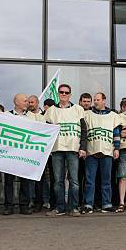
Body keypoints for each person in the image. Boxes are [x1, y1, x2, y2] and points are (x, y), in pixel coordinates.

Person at [44, 84, 87, 217]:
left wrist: (83, 147)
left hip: (73, 149)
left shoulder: (78, 109)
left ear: (70, 94)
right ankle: (59, 207)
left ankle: (73, 207)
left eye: (66, 92)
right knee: (58, 181)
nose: (64, 94)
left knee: (74, 180)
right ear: (58, 94)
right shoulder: (51, 110)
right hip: (57, 150)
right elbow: (45, 130)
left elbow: (84, 130)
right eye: (61, 92)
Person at [82, 92, 121, 214]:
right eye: (94, 100)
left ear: (104, 100)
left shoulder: (113, 116)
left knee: (106, 179)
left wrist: (117, 148)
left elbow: (116, 133)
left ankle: (107, 204)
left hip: (107, 150)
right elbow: (83, 131)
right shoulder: (87, 114)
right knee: (89, 180)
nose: (95, 102)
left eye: (97, 99)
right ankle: (88, 204)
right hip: (91, 151)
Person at [3, 94, 33, 215]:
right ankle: (8, 206)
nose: (27, 103)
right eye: (25, 101)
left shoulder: (31, 118)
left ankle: (24, 206)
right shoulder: (6, 116)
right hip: (9, 154)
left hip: (24, 154)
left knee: (25, 182)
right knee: (8, 181)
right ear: (17, 103)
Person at [27, 94, 50, 211]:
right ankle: (30, 200)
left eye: (32, 102)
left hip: (42, 153)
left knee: (42, 179)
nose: (30, 104)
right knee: (29, 178)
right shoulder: (25, 116)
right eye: (29, 102)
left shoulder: (45, 116)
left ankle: (41, 201)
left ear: (37, 103)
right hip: (29, 152)